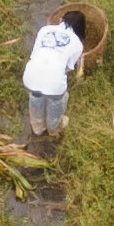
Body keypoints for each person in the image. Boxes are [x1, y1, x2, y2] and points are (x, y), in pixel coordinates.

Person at [22, 10, 87, 139]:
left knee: (36, 97)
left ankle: (37, 127)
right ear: (80, 28)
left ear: (61, 20)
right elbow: (68, 68)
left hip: (30, 77)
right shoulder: (77, 44)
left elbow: (35, 54)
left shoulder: (45, 30)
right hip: (54, 85)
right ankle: (53, 129)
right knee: (55, 104)